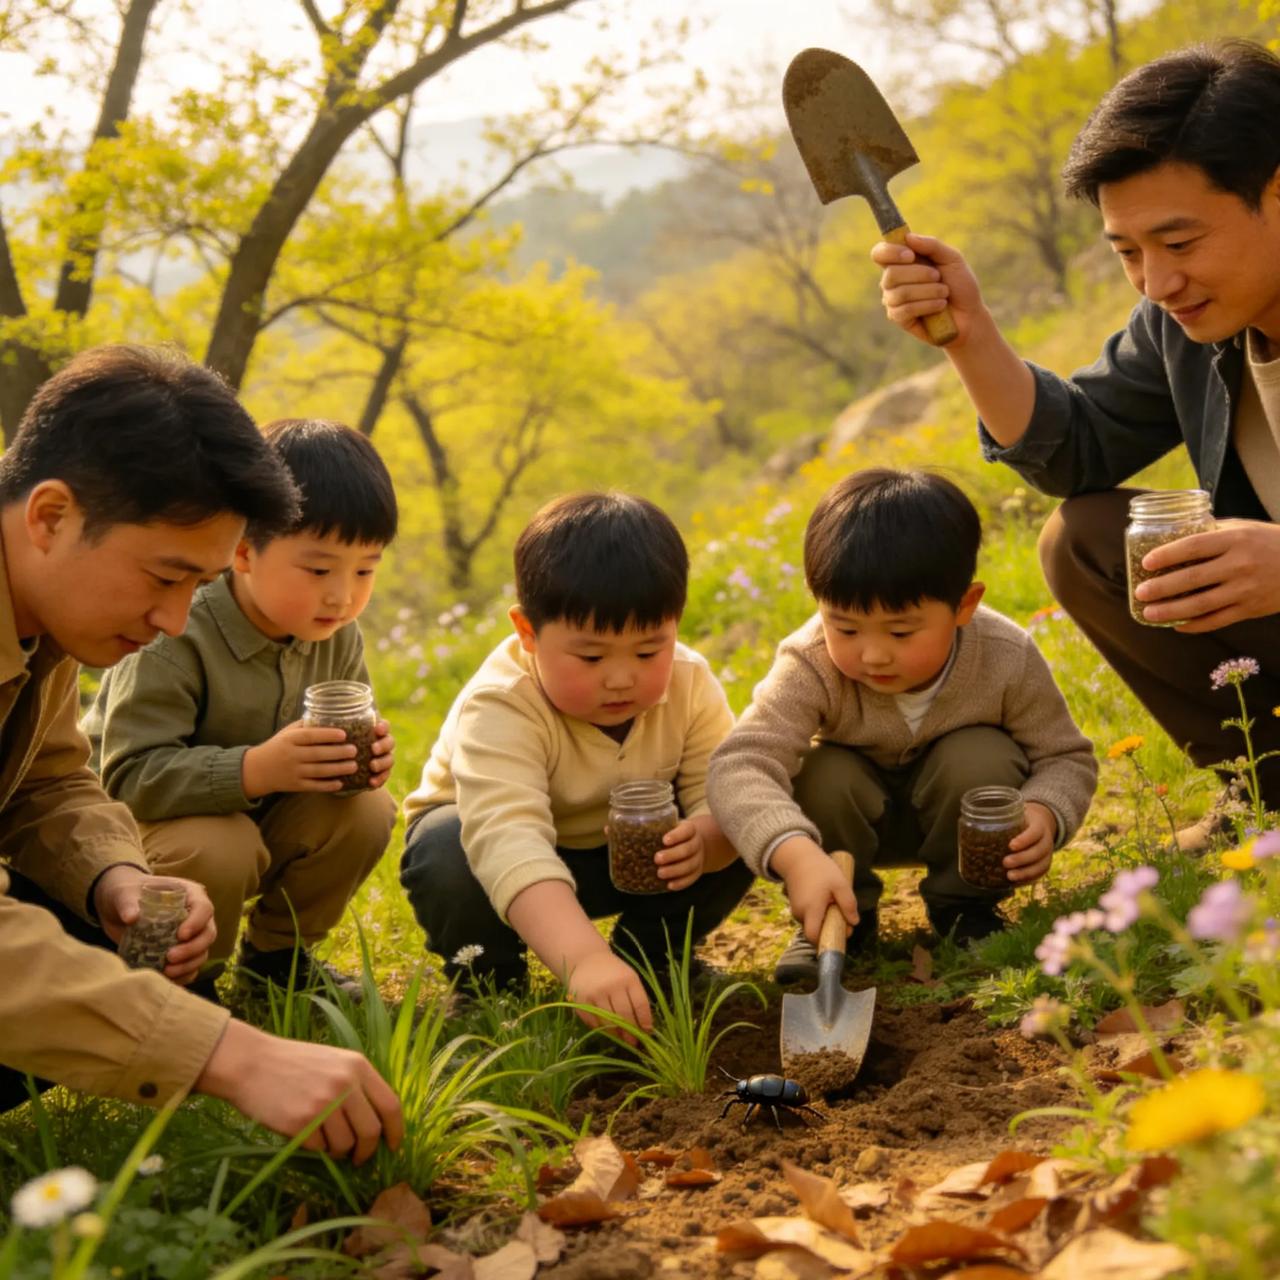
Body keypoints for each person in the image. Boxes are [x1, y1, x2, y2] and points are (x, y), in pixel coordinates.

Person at [0, 345, 401, 1164]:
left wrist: (116, 875)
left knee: (113, 940)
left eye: (199, 586)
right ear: (50, 517)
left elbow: (47, 778)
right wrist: (229, 1054)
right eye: (166, 577)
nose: (178, 621)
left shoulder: (51, 609)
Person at [873, 39, 1280, 843]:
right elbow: (1075, 449)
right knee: (1089, 539)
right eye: (1128, 252)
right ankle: (1266, 791)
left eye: (1180, 243)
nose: (1157, 283)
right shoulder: (1185, 329)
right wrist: (969, 333)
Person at [707, 469, 1097, 981]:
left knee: (979, 754)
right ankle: (838, 919)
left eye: (900, 630)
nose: (872, 654)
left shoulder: (1003, 654)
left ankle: (965, 909)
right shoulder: (811, 662)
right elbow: (740, 763)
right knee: (823, 772)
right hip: (846, 832)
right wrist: (795, 854)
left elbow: (1065, 757)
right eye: (845, 626)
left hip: (963, 825)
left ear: (965, 605)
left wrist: (1046, 811)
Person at [400, 492, 752, 1032]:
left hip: (629, 854)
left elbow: (721, 787)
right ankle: (490, 986)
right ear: (528, 633)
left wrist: (709, 840)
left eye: (647, 651)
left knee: (741, 812)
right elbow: (507, 836)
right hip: (507, 866)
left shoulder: (690, 682)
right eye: (590, 656)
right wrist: (581, 960)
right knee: (445, 845)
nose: (620, 677)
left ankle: (650, 961)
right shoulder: (500, 704)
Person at [87, 419, 399, 995]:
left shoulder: (336, 634)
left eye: (366, 569)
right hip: (148, 836)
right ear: (243, 552)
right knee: (220, 845)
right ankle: (185, 982)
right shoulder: (179, 630)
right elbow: (126, 776)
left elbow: (337, 750)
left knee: (366, 810)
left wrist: (363, 760)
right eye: (319, 569)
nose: (343, 594)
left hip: (263, 820)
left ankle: (278, 961)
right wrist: (257, 769)